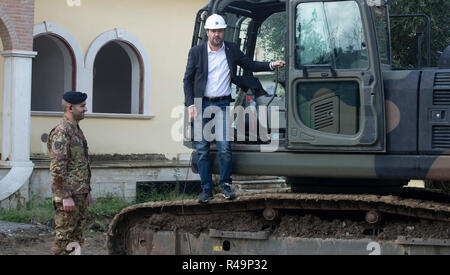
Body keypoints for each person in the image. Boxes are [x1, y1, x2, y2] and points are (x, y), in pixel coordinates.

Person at [183, 14, 285, 203]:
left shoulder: (231, 49)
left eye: (220, 31)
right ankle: (206, 189)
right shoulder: (196, 52)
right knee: (203, 149)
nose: (217, 34)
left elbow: (250, 64)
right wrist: (190, 104)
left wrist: (271, 64)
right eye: (213, 31)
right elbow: (187, 80)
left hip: (222, 104)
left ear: (224, 32)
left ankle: (225, 186)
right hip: (200, 104)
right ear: (207, 32)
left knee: (224, 148)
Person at [47, 91, 93, 255]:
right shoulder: (62, 132)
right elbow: (58, 167)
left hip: (79, 193)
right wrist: (65, 196)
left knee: (76, 238)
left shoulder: (76, 131)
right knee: (64, 239)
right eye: (82, 106)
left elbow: (80, 165)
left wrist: (87, 191)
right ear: (70, 108)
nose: (85, 109)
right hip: (69, 196)